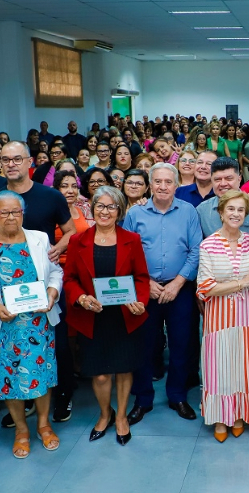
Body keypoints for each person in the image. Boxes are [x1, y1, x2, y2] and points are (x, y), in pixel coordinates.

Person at [0, 141, 77, 424]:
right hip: (5, 290)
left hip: (44, 284)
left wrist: (58, 248)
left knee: (56, 345)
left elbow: (70, 231)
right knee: (14, 350)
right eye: (5, 160)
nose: (11, 164)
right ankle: (25, 400)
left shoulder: (50, 196)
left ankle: (63, 396)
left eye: (17, 159)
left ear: (29, 161)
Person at [0, 191, 63, 458]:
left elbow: (55, 272)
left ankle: (44, 424)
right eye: (4, 212)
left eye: (16, 212)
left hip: (38, 322)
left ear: (23, 214)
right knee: (8, 378)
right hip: (1, 324)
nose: (10, 217)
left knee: (41, 374)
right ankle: (21, 430)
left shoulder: (39, 239)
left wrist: (52, 293)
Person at [64, 186, 149, 446]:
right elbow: (69, 279)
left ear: (119, 211)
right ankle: (105, 413)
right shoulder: (77, 241)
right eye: (100, 205)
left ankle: (121, 416)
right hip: (92, 316)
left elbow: (141, 277)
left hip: (124, 316)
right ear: (92, 208)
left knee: (123, 370)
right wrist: (81, 298)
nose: (105, 211)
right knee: (99, 374)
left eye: (112, 206)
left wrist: (140, 301)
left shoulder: (132, 239)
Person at [122, 163, 202, 423]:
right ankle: (143, 399)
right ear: (150, 185)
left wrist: (178, 283)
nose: (163, 186)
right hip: (146, 289)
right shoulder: (135, 213)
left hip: (180, 289)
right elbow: (127, 252)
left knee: (181, 344)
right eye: (158, 181)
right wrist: (145, 283)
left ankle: (177, 395)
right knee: (144, 345)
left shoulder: (188, 211)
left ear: (176, 185)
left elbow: (196, 250)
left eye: (168, 181)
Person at [196, 190, 249, 442]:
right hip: (219, 314)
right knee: (219, 364)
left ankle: (239, 413)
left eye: (241, 210)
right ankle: (220, 417)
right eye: (231, 209)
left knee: (244, 362)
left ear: (246, 214)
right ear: (221, 212)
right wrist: (243, 282)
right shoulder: (208, 244)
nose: (236, 214)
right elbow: (205, 287)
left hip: (248, 312)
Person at [197, 157, 249, 237]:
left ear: (239, 179)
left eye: (229, 179)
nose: (223, 184)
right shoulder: (202, 211)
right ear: (211, 181)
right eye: (218, 179)